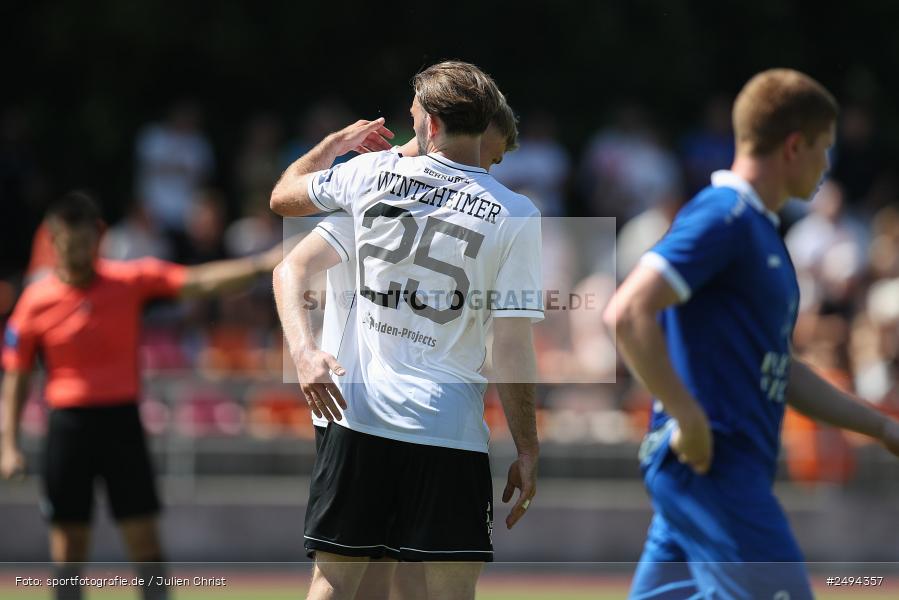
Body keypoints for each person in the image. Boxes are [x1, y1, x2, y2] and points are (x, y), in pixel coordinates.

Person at [604, 69, 899, 599]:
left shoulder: (761, 232)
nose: (827, 164)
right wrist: (687, 415)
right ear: (793, 146)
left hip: (711, 473)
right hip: (713, 466)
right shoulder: (726, 215)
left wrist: (879, 428)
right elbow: (627, 313)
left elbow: (780, 371)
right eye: (822, 148)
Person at [270, 61, 542, 600]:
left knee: (334, 585)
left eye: (414, 113)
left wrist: (331, 146)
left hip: (360, 417)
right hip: (450, 429)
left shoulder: (370, 175)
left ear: (432, 126)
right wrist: (528, 449)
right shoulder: (518, 214)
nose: (408, 121)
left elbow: (282, 198)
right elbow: (510, 346)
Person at [0, 191, 283, 600]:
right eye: (66, 242)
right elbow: (16, 377)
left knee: (145, 545)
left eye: (83, 241)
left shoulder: (128, 281)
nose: (75, 251)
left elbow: (199, 282)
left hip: (121, 425)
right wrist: (8, 445)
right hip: (67, 427)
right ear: (52, 239)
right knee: (68, 550)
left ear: (98, 236)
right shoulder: (35, 301)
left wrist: (260, 264)